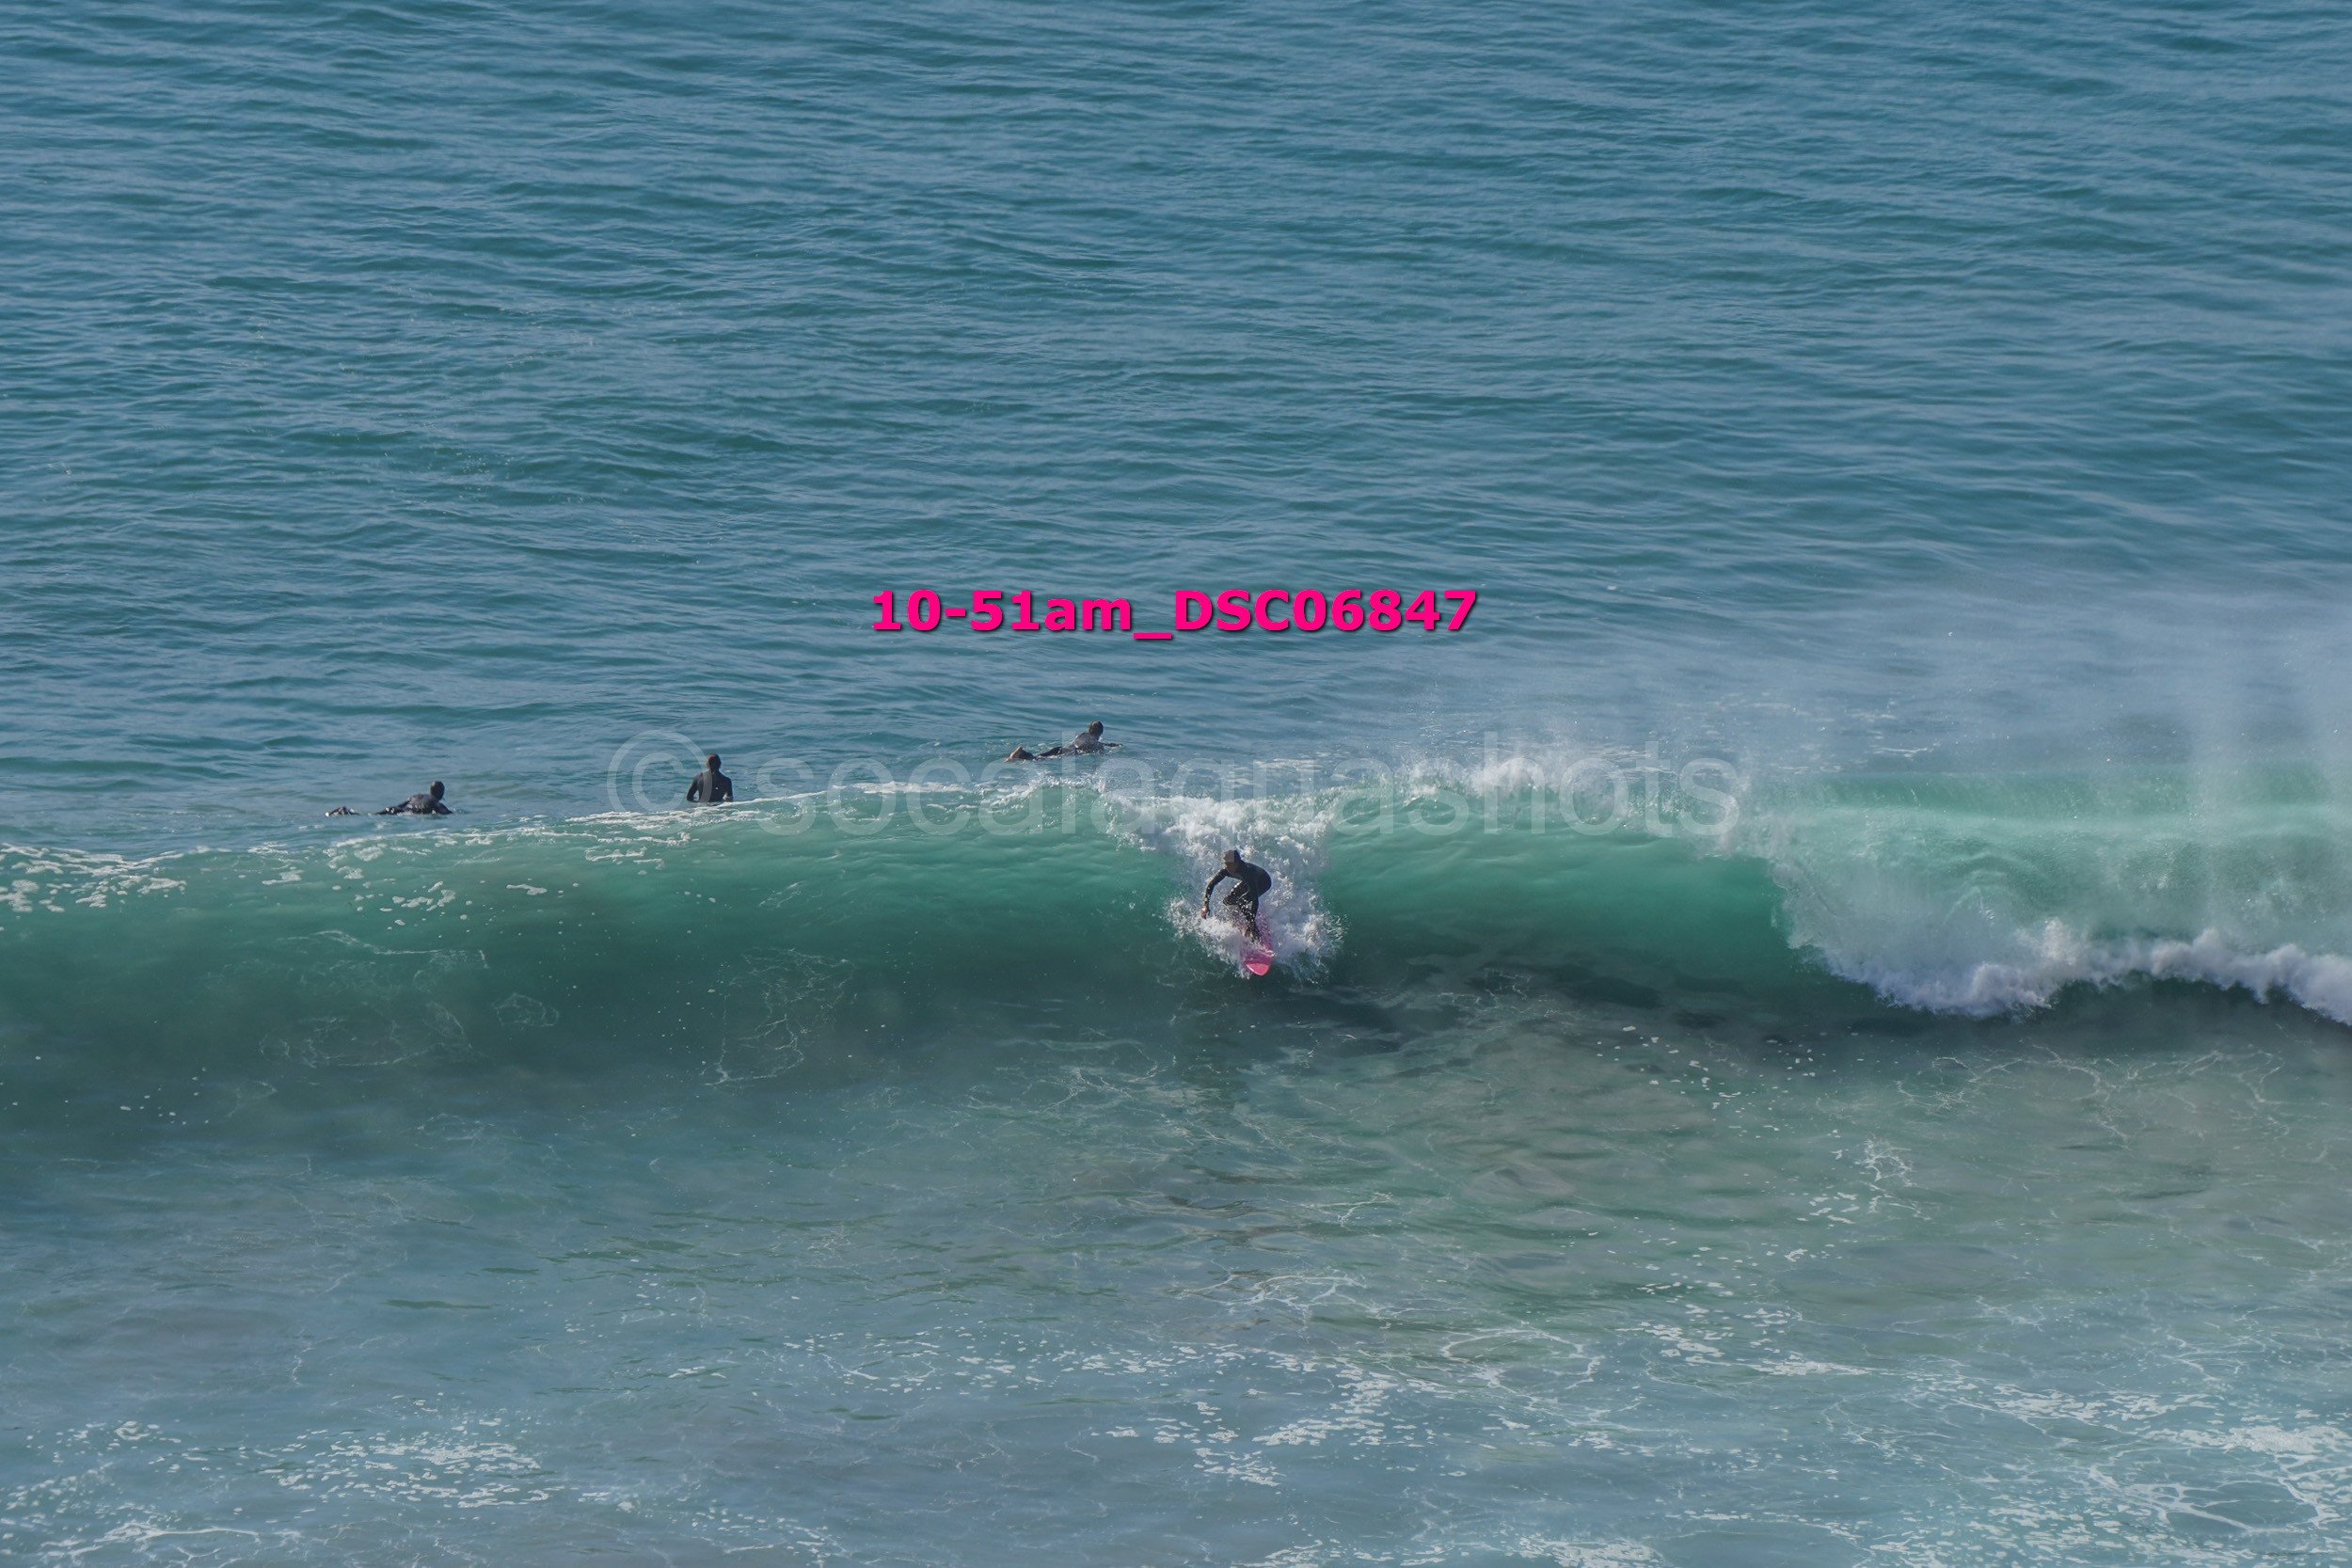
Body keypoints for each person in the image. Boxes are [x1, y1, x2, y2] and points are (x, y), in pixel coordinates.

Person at [1202, 848, 1273, 943]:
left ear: (1237, 863)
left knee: (1241, 902)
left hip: (1263, 882)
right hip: (1247, 881)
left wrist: (1250, 922)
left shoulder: (1248, 872)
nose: (1226, 867)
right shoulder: (1227, 870)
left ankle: (1256, 934)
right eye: (1225, 864)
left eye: (1228, 864)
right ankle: (1246, 911)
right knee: (1228, 900)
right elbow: (1211, 884)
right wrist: (1206, 905)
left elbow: (1255, 900)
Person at [1007, 721, 1119, 761]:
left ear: (1088, 730)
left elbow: (1090, 741)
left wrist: (1109, 744)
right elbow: (1098, 747)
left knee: (1039, 757)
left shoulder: (1082, 734)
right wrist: (1110, 746)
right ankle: (1021, 754)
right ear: (1100, 734)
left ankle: (1019, 754)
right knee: (1039, 760)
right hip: (1070, 753)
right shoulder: (1098, 745)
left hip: (1061, 748)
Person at [378, 781, 452, 816]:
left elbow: (399, 806)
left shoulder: (416, 796)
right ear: (441, 793)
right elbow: (447, 813)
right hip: (410, 813)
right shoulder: (436, 802)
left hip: (397, 810)